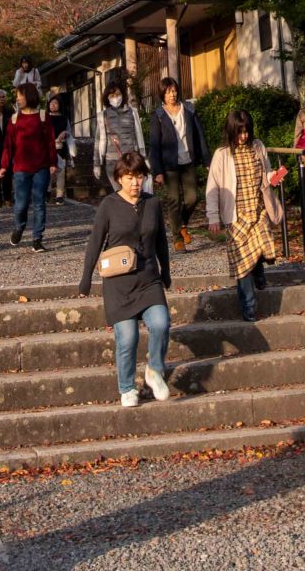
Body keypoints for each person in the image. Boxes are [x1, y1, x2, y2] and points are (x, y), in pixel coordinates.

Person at [79, 148, 173, 406]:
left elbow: (161, 241)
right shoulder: (108, 205)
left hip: (148, 278)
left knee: (161, 323)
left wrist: (166, 272)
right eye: (129, 177)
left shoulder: (152, 204)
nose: (135, 182)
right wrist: (86, 278)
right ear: (119, 178)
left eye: (139, 176)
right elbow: (95, 242)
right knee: (128, 337)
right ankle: (127, 387)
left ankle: (154, 370)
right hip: (119, 282)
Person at [205, 109, 287, 321]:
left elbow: (265, 172)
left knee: (262, 245)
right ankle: (249, 307)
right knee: (242, 265)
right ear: (231, 131)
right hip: (236, 216)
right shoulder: (222, 154)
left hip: (258, 210)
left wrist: (273, 177)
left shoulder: (258, 147)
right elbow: (212, 187)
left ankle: (259, 268)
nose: (244, 136)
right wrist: (213, 216)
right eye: (239, 132)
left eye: (246, 131)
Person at [146, 77, 207, 248]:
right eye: (167, 92)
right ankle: (177, 238)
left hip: (188, 160)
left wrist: (206, 159)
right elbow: (154, 145)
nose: (172, 95)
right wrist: (157, 170)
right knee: (174, 199)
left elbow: (199, 135)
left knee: (192, 197)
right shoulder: (158, 116)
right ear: (162, 95)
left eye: (173, 91)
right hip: (169, 165)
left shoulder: (188, 109)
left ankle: (181, 225)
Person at [1, 84, 55, 248]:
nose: (17, 99)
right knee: (21, 203)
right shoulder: (14, 119)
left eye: (20, 95)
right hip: (21, 168)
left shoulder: (43, 117)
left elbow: (50, 142)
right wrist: (4, 165)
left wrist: (53, 163)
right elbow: (8, 145)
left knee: (39, 203)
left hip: (41, 167)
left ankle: (37, 239)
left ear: (29, 96)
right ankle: (19, 227)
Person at [93, 75, 145, 189]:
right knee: (119, 193)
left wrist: (144, 157)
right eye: (112, 95)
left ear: (123, 95)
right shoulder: (103, 115)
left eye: (117, 94)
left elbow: (139, 136)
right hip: (112, 161)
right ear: (107, 98)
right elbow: (98, 140)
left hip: (131, 159)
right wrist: (96, 163)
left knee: (132, 191)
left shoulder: (132, 112)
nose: (115, 98)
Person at [44, 86, 74, 202]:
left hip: (61, 147)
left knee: (61, 171)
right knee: (48, 171)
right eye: (51, 103)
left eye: (55, 103)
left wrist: (64, 133)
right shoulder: (45, 118)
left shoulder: (64, 118)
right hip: (47, 147)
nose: (53, 105)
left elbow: (69, 132)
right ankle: (47, 192)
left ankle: (60, 195)